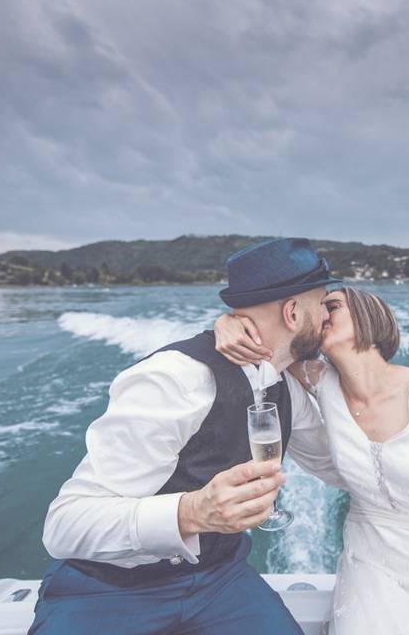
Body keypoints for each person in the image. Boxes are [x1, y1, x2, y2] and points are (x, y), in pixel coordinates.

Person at [28, 238, 346, 634]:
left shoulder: (286, 386)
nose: (329, 315)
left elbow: (337, 465)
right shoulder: (174, 379)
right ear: (294, 312)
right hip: (106, 592)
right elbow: (64, 526)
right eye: (323, 303)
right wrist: (190, 512)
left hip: (219, 580)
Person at [215, 286, 409, 634]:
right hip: (370, 566)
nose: (321, 315)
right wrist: (226, 322)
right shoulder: (319, 381)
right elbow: (264, 343)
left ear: (369, 315)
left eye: (332, 306)